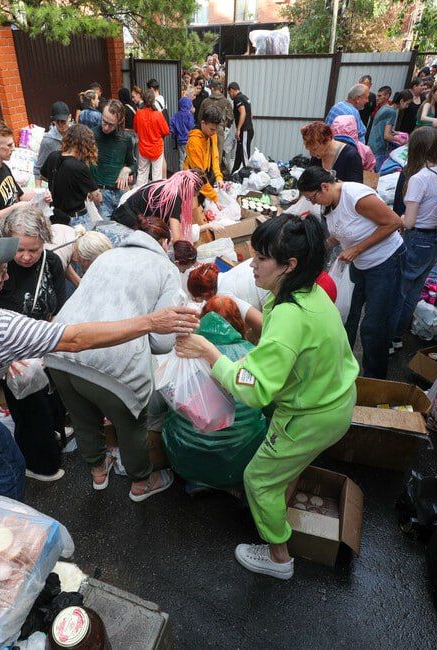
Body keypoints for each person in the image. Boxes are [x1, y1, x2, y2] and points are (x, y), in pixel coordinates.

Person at [0, 219, 199, 501]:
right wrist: (150, 322)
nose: (7, 277)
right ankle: (1, 538)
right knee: (9, 471)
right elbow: (74, 339)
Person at [174, 214, 359, 580]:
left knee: (257, 479)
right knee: (284, 468)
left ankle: (279, 558)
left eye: (261, 258)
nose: (251, 264)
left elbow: (254, 390)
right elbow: (279, 343)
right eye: (254, 254)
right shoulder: (308, 293)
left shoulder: (291, 314)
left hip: (310, 416)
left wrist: (208, 351)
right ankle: (284, 490)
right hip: (334, 399)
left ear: (290, 264)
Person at [46, 216, 188, 501]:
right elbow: (161, 341)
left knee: (83, 419)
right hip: (113, 365)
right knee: (131, 426)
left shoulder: (106, 256)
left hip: (60, 350)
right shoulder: (166, 270)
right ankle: (141, 483)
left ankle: (98, 472)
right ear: (164, 243)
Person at [299, 167, 404, 379]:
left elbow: (395, 222)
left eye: (313, 197)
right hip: (359, 263)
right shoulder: (329, 203)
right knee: (347, 315)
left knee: (374, 325)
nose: (313, 203)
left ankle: (375, 379)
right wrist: (323, 246)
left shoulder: (356, 196)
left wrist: (357, 249)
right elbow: (344, 230)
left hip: (385, 261)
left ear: (325, 186)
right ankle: (342, 368)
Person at [0, 206, 69, 481]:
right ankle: (39, 465)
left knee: (52, 397)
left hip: (45, 345)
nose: (26, 257)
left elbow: (60, 304)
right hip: (12, 354)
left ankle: (57, 432)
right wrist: (6, 357)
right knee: (29, 410)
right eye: (19, 249)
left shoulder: (52, 262)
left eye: (33, 250)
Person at [159, 302, 268, 493]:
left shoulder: (183, 353)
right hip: (239, 461)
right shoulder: (253, 354)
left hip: (186, 458)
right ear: (237, 323)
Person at [389, 127, 437, 350]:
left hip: (417, 238)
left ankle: (390, 339)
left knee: (400, 291)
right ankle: (398, 337)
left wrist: (399, 217)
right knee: (414, 290)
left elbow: (408, 222)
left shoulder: (418, 178)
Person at [0, 120, 48, 234]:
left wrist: (41, 194)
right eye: (9, 145)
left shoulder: (3, 167)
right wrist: (14, 209)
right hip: (3, 240)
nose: (13, 148)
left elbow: (20, 196)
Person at [112, 169, 204, 242]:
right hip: (126, 223)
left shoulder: (166, 184)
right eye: (196, 192)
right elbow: (177, 239)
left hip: (122, 214)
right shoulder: (175, 197)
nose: (196, 195)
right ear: (191, 189)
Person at [41, 124, 101, 227]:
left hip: (55, 216)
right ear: (85, 144)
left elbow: (44, 175)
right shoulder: (80, 167)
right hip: (76, 219)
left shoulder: (53, 156)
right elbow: (97, 197)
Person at [187, 263, 263, 337]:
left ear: (205, 294)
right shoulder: (228, 276)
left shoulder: (224, 295)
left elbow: (262, 323)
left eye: (203, 300)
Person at [91, 100, 136, 219]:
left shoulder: (126, 139)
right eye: (104, 121)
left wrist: (127, 169)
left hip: (120, 193)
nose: (105, 127)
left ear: (119, 122)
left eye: (110, 124)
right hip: (99, 193)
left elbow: (133, 164)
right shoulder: (91, 135)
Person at [184, 107, 224, 207]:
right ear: (203, 123)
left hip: (204, 174)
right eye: (211, 129)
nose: (214, 132)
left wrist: (218, 176)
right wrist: (214, 197)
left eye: (215, 129)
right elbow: (198, 176)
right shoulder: (194, 142)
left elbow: (215, 156)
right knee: (194, 209)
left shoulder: (212, 134)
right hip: (192, 178)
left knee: (203, 205)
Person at [133, 89, 170, 188]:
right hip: (156, 148)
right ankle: (155, 197)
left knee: (142, 173)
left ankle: (138, 196)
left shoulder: (138, 113)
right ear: (153, 100)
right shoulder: (158, 115)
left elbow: (136, 129)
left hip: (143, 148)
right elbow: (166, 131)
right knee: (156, 176)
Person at [369, 90, 413, 169]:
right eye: (407, 104)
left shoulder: (385, 106)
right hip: (379, 147)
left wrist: (393, 132)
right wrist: (400, 140)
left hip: (372, 143)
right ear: (402, 101)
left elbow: (381, 126)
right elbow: (386, 136)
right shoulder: (392, 112)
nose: (407, 106)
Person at [198, 79, 234, 173]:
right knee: (217, 154)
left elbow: (199, 117)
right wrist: (225, 128)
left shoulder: (205, 102)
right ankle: (215, 176)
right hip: (219, 131)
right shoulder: (226, 102)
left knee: (205, 154)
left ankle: (204, 174)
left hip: (205, 131)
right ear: (221, 89)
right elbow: (230, 118)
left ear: (213, 89)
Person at [36, 102, 71, 187]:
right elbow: (38, 168)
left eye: (63, 121)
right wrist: (38, 189)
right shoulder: (48, 141)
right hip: (58, 185)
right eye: (57, 122)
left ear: (70, 117)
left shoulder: (76, 134)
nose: (61, 125)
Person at [228, 82, 254, 174]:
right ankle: (234, 172)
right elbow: (251, 115)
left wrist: (238, 129)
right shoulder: (245, 97)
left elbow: (243, 113)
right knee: (239, 152)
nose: (229, 95)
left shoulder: (237, 99)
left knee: (244, 154)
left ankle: (248, 176)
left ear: (232, 90)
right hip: (248, 129)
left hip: (245, 130)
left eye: (229, 93)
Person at [170, 96, 195, 170]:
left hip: (180, 140)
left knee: (181, 159)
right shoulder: (189, 115)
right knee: (189, 159)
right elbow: (191, 127)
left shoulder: (176, 115)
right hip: (188, 140)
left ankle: (181, 174)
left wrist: (174, 134)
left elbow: (171, 127)